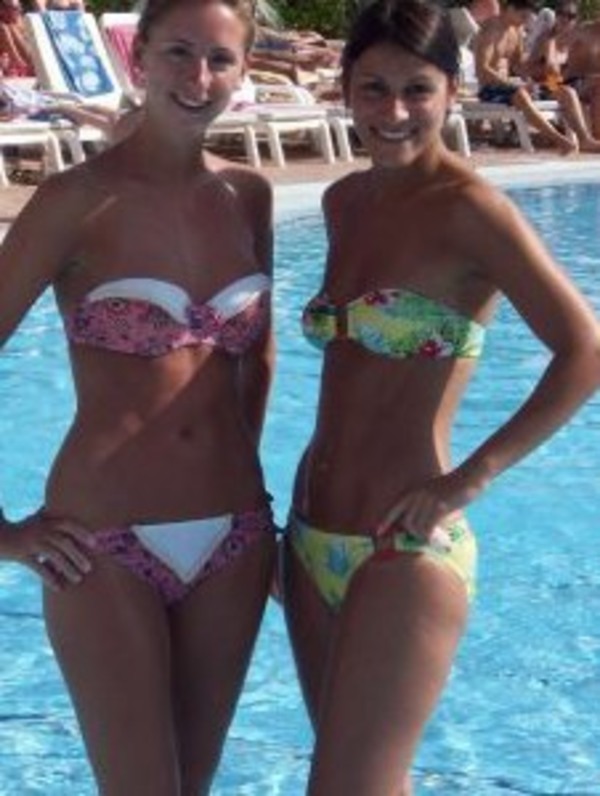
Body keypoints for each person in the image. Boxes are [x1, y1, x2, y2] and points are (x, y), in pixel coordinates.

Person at [280, 1, 600, 794]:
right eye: (373, 88)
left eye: (416, 90)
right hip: (311, 535)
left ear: (450, 92)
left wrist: (470, 479)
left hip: (405, 544)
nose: (394, 112)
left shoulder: (471, 211)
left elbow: (585, 350)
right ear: (345, 90)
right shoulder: (343, 202)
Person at [0, 0, 276, 794]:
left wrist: (252, 493)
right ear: (140, 58)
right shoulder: (76, 200)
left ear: (242, 71)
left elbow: (256, 361)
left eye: (220, 59)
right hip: (103, 540)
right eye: (179, 52)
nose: (199, 76)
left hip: (236, 537)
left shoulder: (248, 196)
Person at [473, 0, 577, 153]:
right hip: (490, 90)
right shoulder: (491, 30)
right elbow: (482, 70)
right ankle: (558, 139)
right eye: (522, 16)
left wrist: (534, 81)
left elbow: (518, 65)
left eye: (527, 17)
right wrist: (512, 84)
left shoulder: (516, 30)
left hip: (513, 86)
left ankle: (584, 138)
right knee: (521, 94)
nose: (525, 21)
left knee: (566, 91)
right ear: (510, 9)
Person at [526, 0, 600, 152]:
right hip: (545, 86)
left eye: (570, 16)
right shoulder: (547, 39)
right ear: (556, 16)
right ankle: (584, 139)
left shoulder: (573, 38)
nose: (565, 19)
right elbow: (548, 71)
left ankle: (597, 136)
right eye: (561, 14)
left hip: (565, 83)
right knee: (569, 92)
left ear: (576, 19)